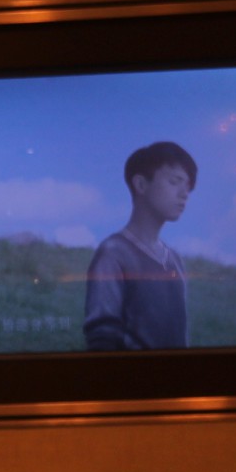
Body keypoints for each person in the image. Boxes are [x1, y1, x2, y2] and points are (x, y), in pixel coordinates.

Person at [84, 140, 197, 350]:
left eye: (188, 186)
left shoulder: (174, 260)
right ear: (141, 185)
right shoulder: (113, 254)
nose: (184, 194)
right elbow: (102, 335)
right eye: (174, 182)